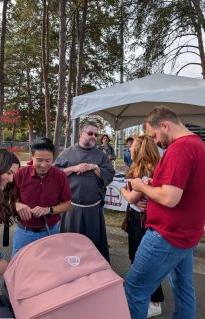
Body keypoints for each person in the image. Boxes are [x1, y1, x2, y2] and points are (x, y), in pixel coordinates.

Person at [125, 106, 205, 319]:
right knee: (183, 287)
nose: (157, 141)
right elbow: (183, 188)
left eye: (155, 135)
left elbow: (170, 198)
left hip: (166, 234)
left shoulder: (179, 148)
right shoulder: (198, 144)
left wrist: (141, 187)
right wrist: (155, 183)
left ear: (165, 125)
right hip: (186, 234)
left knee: (135, 288)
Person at [54, 120, 115, 262]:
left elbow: (110, 174)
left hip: (93, 209)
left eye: (95, 134)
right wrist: (73, 168)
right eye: (90, 133)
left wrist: (95, 167)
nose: (93, 136)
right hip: (71, 209)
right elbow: (54, 174)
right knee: (70, 246)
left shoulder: (101, 155)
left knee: (92, 246)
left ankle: (93, 273)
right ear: (80, 134)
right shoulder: (67, 153)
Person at [120, 134, 164, 318]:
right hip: (135, 218)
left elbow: (131, 197)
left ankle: (155, 301)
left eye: (132, 146)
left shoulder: (146, 171)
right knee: (135, 257)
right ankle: (145, 295)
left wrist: (123, 189)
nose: (129, 148)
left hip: (141, 221)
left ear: (140, 149)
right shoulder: (138, 167)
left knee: (143, 261)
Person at [12, 138, 71, 256]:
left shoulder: (60, 176)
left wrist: (48, 210)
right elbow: (6, 199)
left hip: (50, 231)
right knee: (18, 268)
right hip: (24, 232)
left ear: (53, 158)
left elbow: (67, 204)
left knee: (50, 269)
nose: (43, 165)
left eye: (48, 160)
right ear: (32, 157)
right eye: (39, 160)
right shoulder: (20, 174)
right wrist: (17, 204)